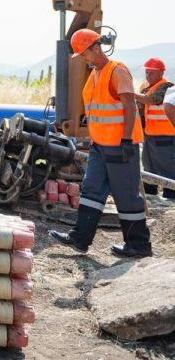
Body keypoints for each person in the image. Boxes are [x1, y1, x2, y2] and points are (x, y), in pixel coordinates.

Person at [49, 29, 152, 258]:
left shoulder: (117, 70)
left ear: (96, 47)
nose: (83, 58)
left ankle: (139, 245)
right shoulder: (95, 75)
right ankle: (80, 238)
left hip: (120, 145)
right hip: (100, 147)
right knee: (91, 189)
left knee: (126, 195)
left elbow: (128, 107)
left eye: (84, 53)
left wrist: (126, 140)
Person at [134, 58, 175, 201]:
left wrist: (127, 93)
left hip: (166, 136)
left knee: (167, 168)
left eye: (151, 73)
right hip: (150, 134)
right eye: (146, 72)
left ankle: (171, 197)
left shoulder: (166, 87)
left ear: (161, 73)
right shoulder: (145, 86)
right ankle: (150, 195)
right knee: (148, 166)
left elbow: (150, 100)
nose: (148, 76)